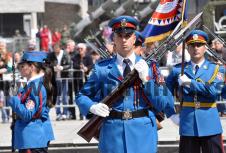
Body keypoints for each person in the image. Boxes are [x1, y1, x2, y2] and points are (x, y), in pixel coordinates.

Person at [76, 15, 176, 153]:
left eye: (128, 35)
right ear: (113, 39)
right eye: (119, 35)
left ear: (134, 39)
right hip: (112, 134)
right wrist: (92, 106)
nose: (124, 39)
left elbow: (166, 102)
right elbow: (82, 96)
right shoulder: (102, 69)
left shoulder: (150, 67)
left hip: (143, 133)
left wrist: (147, 80)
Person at [166, 30, 225, 153]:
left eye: (199, 45)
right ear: (187, 48)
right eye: (192, 45)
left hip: (210, 124)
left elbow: (214, 91)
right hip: (188, 124)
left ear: (205, 47)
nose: (195, 48)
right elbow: (164, 92)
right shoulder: (178, 70)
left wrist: (190, 83)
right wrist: (170, 113)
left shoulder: (216, 69)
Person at [8, 51, 56, 152]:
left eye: (22, 65)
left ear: (32, 67)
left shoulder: (36, 86)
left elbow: (27, 114)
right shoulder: (33, 84)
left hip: (31, 137)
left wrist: (13, 98)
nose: (19, 68)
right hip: (31, 136)